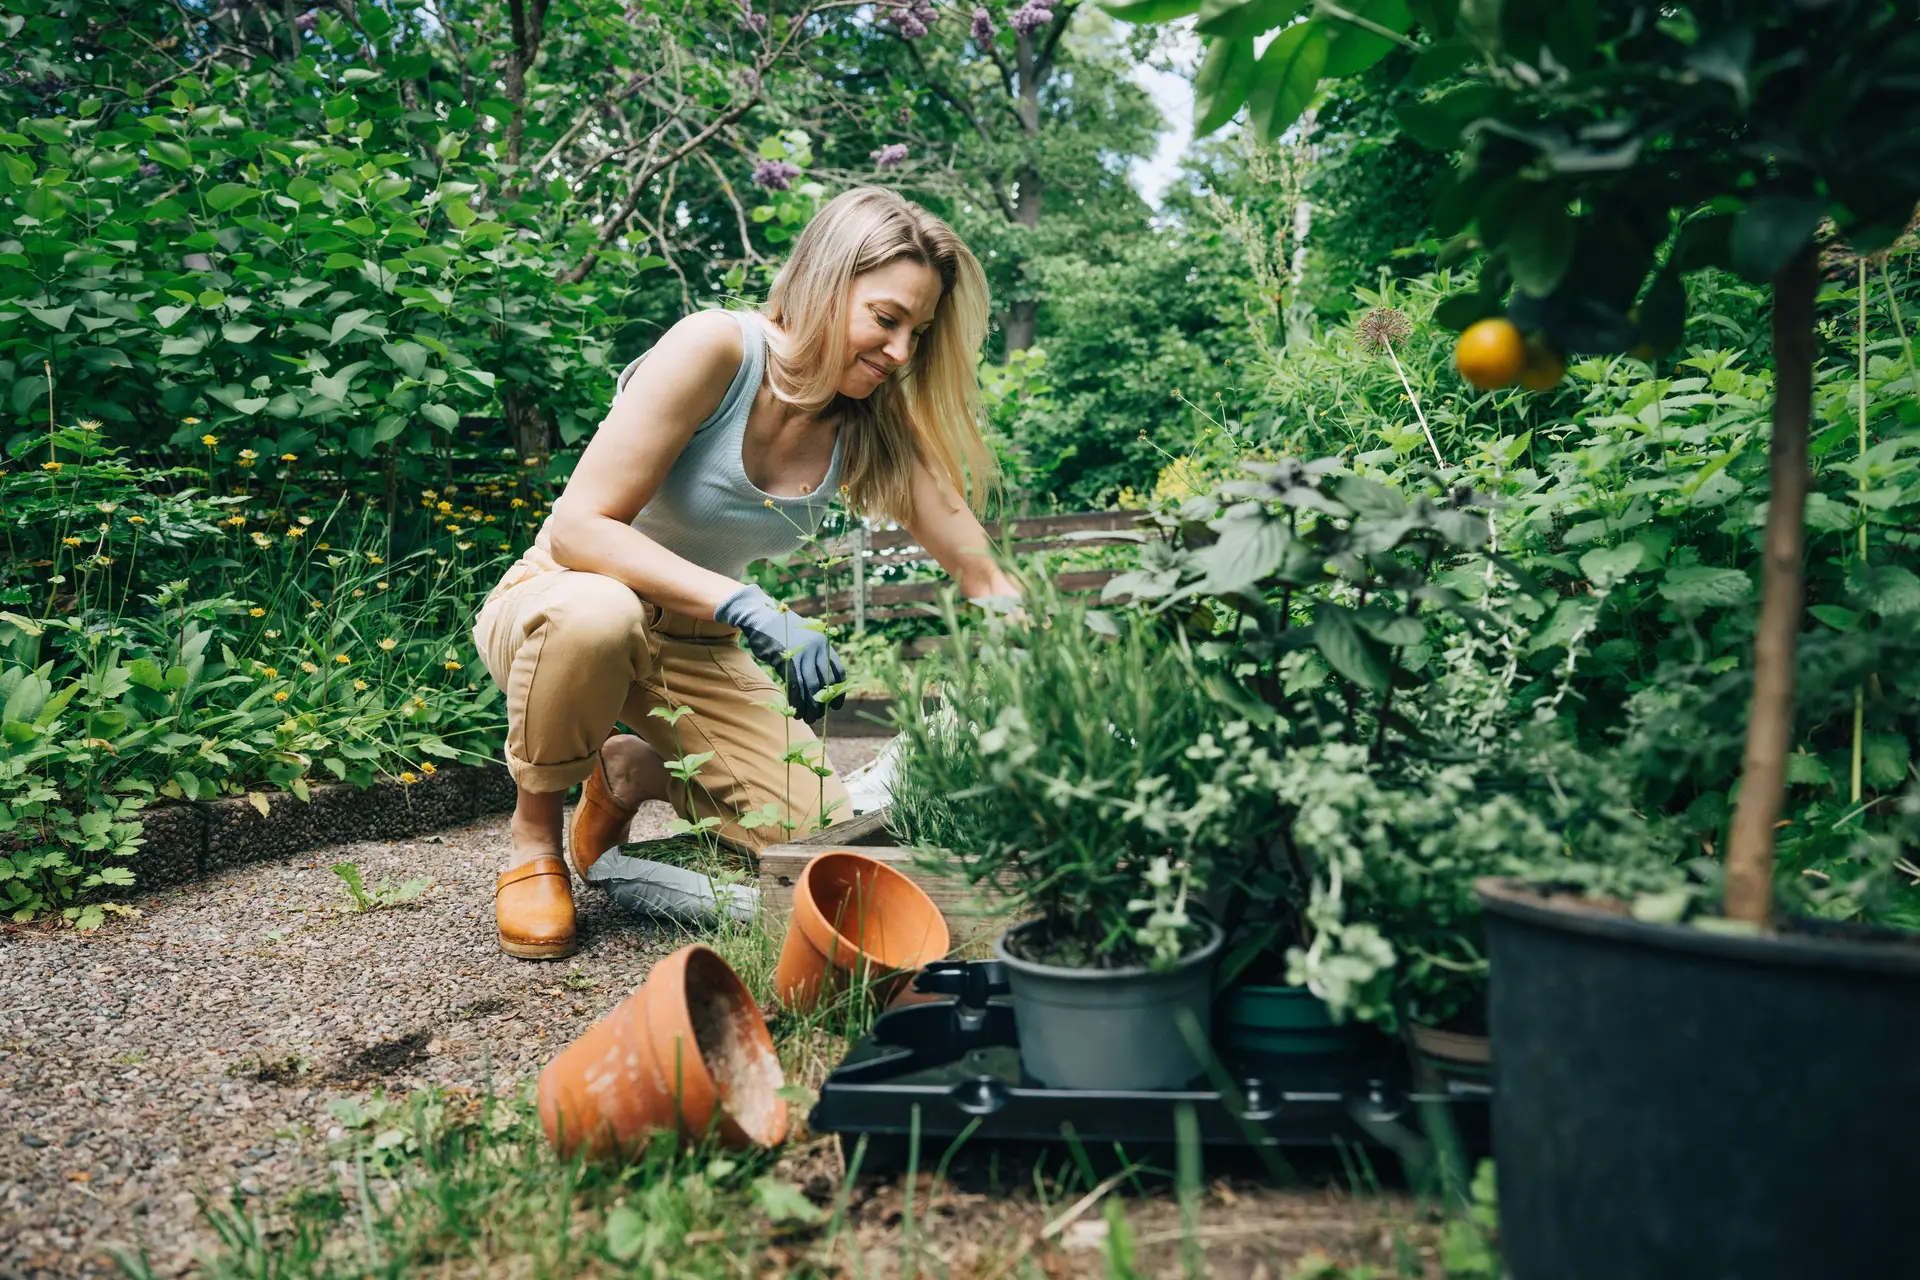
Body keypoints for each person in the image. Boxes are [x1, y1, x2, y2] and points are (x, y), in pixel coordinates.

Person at [472, 186, 1020, 960]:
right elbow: (580, 528)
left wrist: (1036, 655)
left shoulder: (872, 423)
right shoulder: (717, 348)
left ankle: (632, 773)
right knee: (599, 614)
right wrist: (745, 601)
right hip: (560, 602)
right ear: (827, 283)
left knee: (821, 840)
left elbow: (981, 571)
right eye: (886, 319)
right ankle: (534, 841)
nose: (901, 352)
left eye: (918, 333)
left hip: (698, 647)